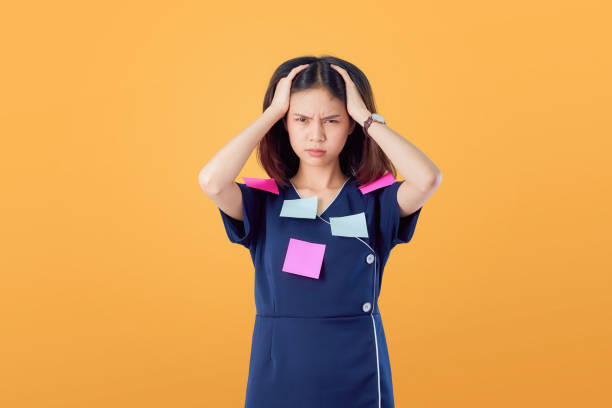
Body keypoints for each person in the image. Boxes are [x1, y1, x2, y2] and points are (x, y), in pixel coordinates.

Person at [198, 55, 441, 408]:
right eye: (301, 119)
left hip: (357, 369)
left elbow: (428, 178)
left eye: (332, 119)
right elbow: (211, 180)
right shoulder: (263, 201)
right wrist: (271, 113)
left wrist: (366, 117)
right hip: (279, 370)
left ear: (349, 125)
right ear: (285, 123)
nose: (316, 134)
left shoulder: (374, 200)